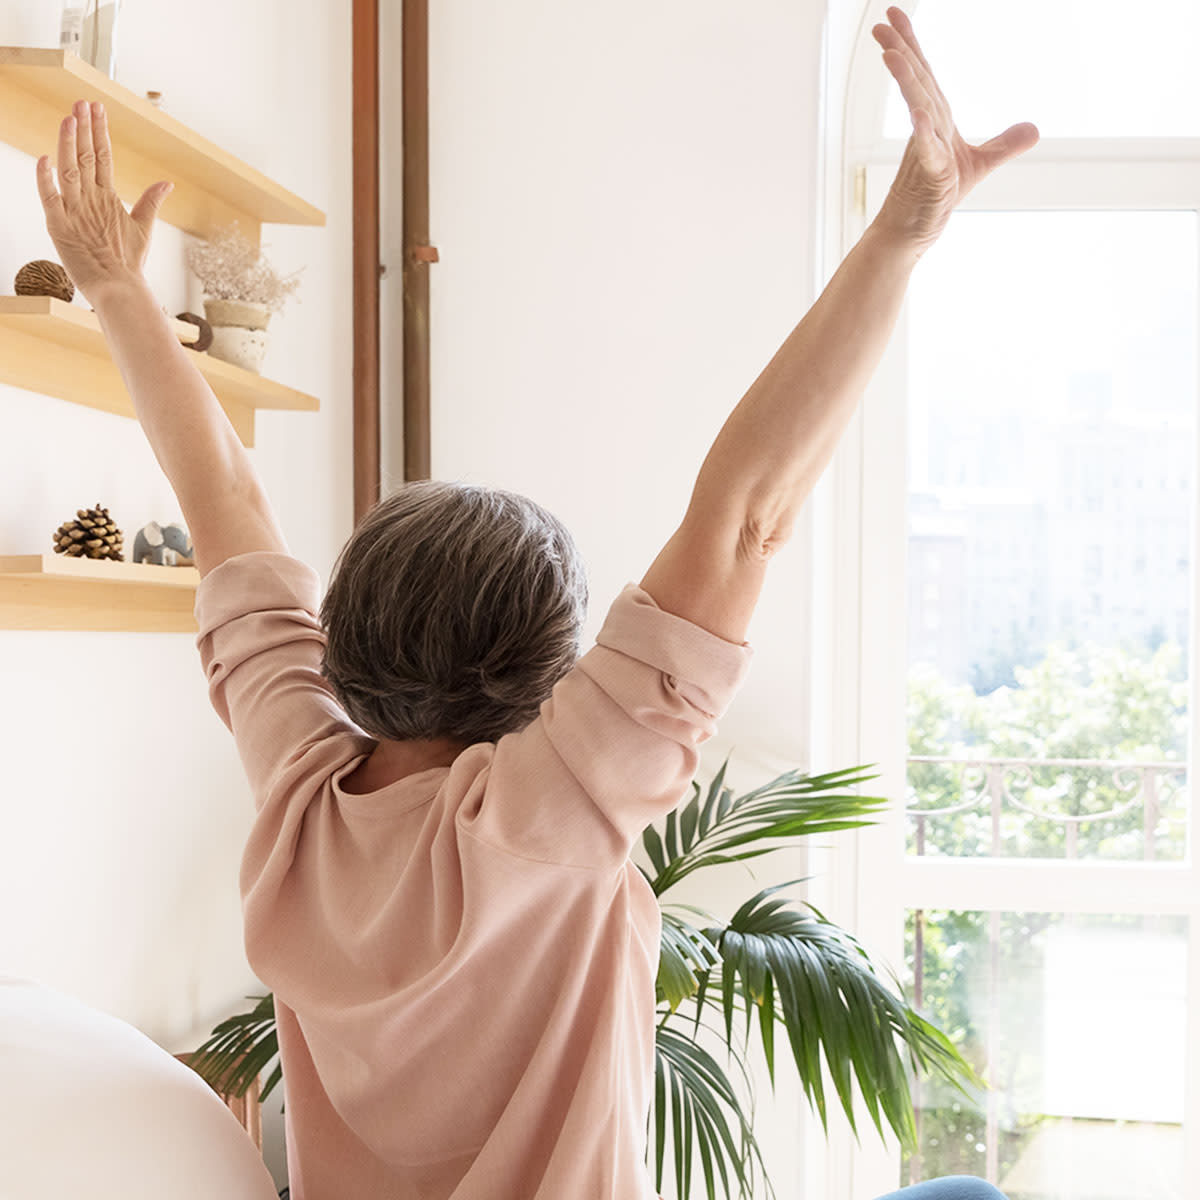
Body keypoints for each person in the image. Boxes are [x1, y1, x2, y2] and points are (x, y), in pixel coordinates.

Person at [34, 8, 1036, 1199]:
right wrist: (902, 234)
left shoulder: (300, 803)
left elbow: (224, 500)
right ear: (546, 679)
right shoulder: (539, 814)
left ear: (343, 639)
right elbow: (747, 511)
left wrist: (116, 288)